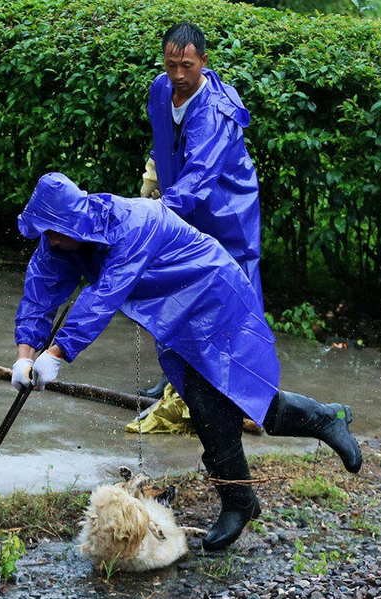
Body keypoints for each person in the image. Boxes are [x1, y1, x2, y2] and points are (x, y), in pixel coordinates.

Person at [10, 173, 362, 551]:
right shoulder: (60, 242)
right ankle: (252, 486)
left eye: (54, 232)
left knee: (232, 395)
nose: (49, 240)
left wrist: (58, 352)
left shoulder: (132, 223)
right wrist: (25, 356)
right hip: (172, 310)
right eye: (44, 232)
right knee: (206, 402)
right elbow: (39, 295)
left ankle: (252, 487)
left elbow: (104, 295)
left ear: (74, 222)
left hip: (212, 292)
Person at [137, 21, 262, 398]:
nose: (178, 75)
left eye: (187, 66)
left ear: (203, 62)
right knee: (175, 290)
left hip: (225, 213)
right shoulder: (161, 91)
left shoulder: (217, 110)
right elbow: (165, 142)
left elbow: (200, 176)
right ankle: (176, 379)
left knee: (233, 297)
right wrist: (154, 179)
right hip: (180, 205)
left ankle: (245, 388)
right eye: (171, 64)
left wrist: (153, 216)